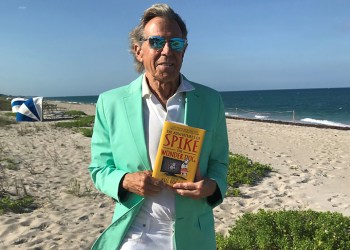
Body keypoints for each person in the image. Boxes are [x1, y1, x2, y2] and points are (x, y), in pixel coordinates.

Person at [88, 3, 228, 250]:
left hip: (192, 235)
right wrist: (125, 180)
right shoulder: (110, 103)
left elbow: (219, 163)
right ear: (138, 50)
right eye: (156, 42)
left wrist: (212, 186)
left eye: (176, 43)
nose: (167, 51)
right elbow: (99, 169)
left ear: (184, 51)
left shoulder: (210, 101)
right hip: (136, 233)